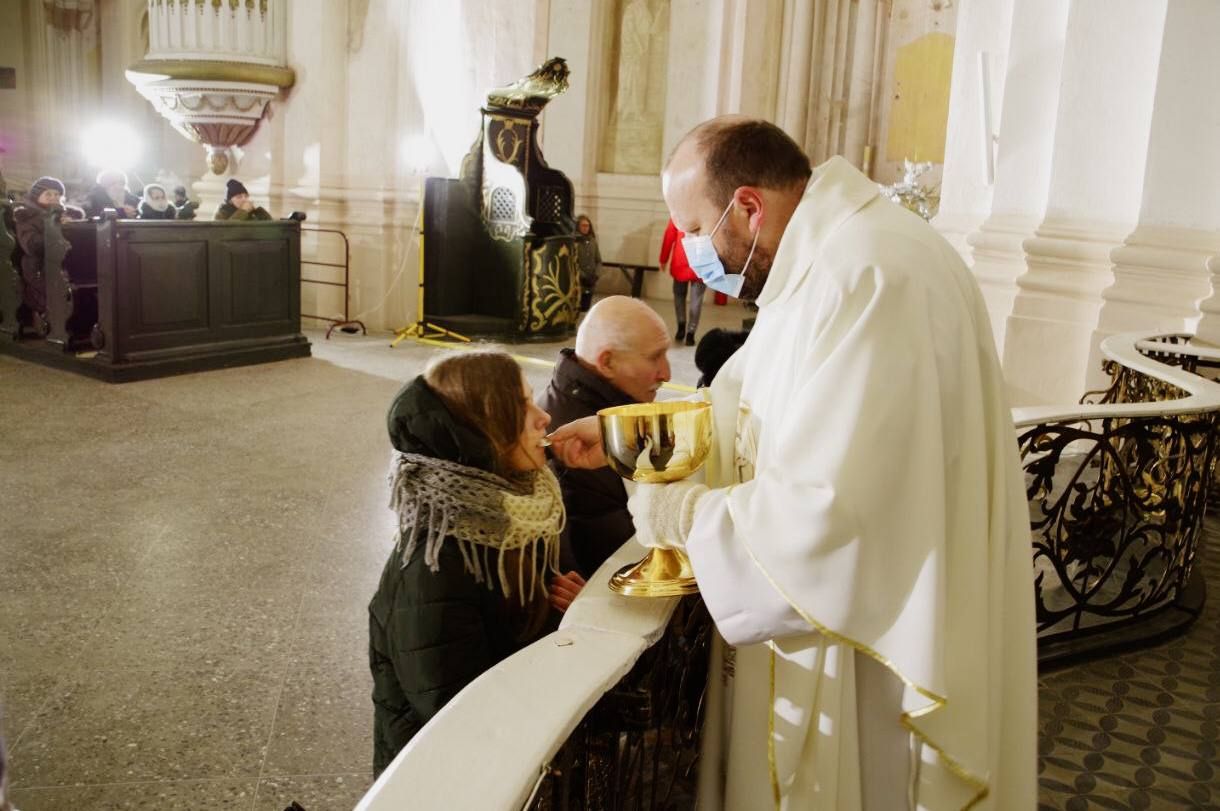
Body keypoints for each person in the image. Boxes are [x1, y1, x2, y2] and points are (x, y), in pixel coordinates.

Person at [549, 117, 1036, 808]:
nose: (689, 254)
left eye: (694, 228)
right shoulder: (822, 262)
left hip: (874, 651)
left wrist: (681, 512)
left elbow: (830, 510)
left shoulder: (869, 275)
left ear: (748, 206)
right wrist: (629, 431)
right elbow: (748, 405)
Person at [369, 350, 571, 777]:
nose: (545, 418)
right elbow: (461, 716)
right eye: (522, 408)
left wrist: (569, 613)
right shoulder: (437, 565)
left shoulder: (515, 511)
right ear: (481, 436)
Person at [538, 295, 671, 577]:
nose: (666, 373)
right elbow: (618, 555)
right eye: (654, 357)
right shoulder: (574, 444)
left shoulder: (619, 413)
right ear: (607, 362)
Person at [12, 175, 67, 321]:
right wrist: (56, 229)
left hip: (61, 262)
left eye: (57, 194)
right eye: (48, 194)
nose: (53, 197)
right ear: (37, 196)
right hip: (38, 266)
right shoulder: (26, 216)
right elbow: (31, 246)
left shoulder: (63, 215)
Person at [660, 218, 705, 345]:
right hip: (700, 263)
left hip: (680, 261)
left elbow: (669, 236)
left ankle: (681, 326)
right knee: (697, 300)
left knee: (679, 295)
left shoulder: (677, 213)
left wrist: (663, 259)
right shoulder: (706, 211)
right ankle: (691, 333)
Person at [573, 214, 601, 312]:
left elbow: (598, 260)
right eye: (583, 226)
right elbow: (573, 262)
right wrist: (583, 276)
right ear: (578, 226)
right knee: (577, 310)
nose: (586, 228)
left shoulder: (593, 241)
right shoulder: (574, 242)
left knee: (586, 309)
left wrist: (596, 275)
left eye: (587, 226)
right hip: (579, 282)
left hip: (591, 282)